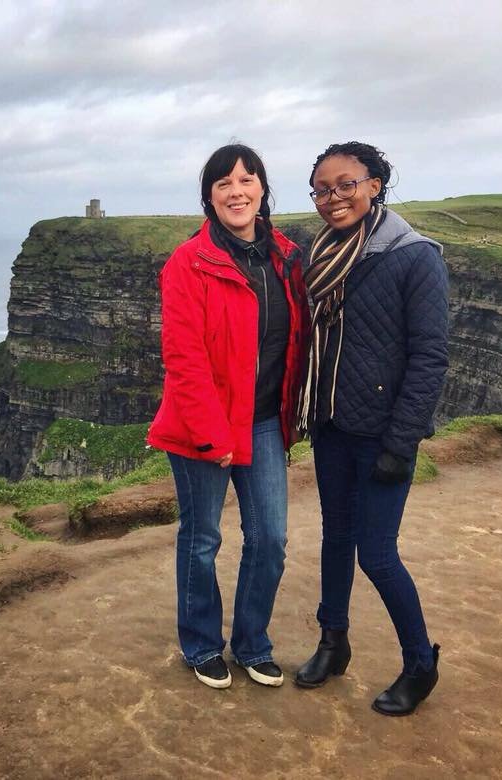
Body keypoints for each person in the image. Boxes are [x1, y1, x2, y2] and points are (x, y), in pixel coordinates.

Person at [147, 144, 310, 689]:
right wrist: (213, 434)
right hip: (204, 424)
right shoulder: (187, 263)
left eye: (247, 179)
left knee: (270, 539)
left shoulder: (286, 257)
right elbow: (183, 358)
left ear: (262, 188)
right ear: (209, 198)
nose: (236, 191)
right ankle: (200, 645)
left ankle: (251, 644)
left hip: (263, 421)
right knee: (202, 538)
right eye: (223, 184)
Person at [294, 141, 449, 716]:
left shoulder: (414, 256)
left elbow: (430, 357)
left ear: (375, 183)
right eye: (322, 189)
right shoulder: (324, 252)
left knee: (377, 554)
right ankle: (333, 642)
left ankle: (420, 664)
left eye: (345, 185)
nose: (333, 198)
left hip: (384, 434)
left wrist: (402, 440)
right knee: (336, 539)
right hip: (334, 426)